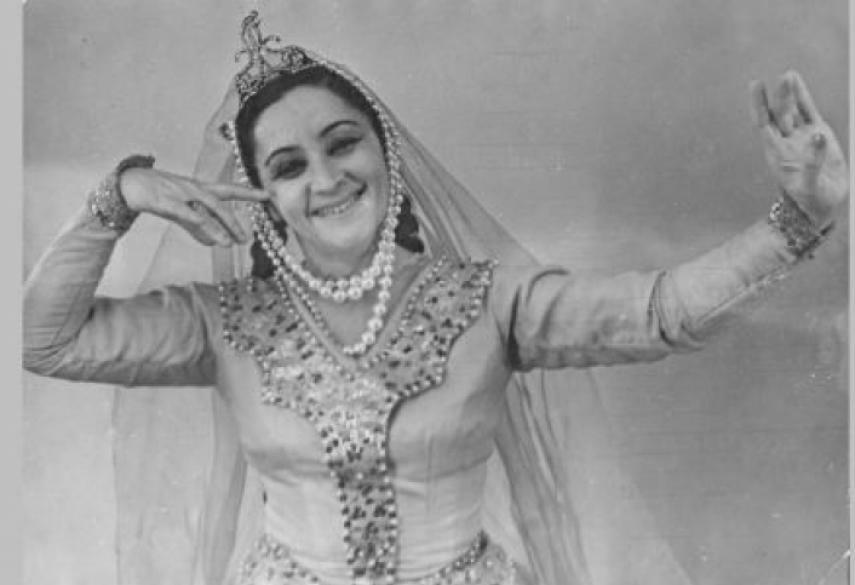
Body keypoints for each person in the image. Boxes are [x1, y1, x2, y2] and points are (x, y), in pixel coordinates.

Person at [22, 11, 849, 585]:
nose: (325, 178)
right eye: (289, 166)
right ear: (261, 195)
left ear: (386, 155)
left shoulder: (490, 302)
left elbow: (660, 311)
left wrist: (796, 220)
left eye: (342, 144)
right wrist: (121, 195)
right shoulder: (223, 323)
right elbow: (45, 340)